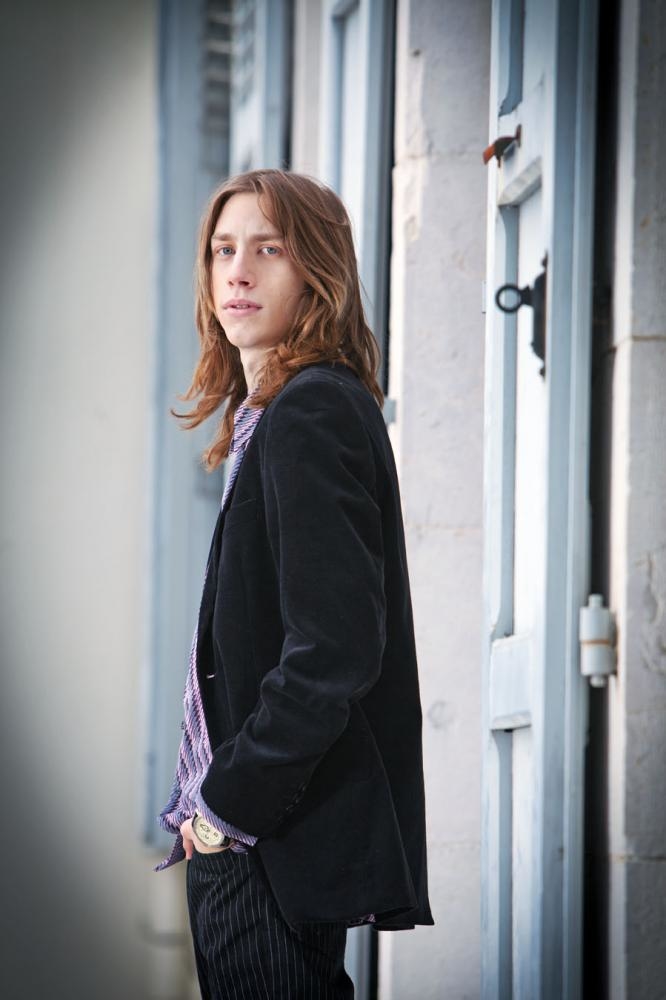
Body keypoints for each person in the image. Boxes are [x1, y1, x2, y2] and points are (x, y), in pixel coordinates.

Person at [156, 168, 433, 1000]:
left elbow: (333, 649)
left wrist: (227, 808)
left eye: (269, 249)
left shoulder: (311, 411)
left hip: (264, 841)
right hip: (259, 838)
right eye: (223, 250)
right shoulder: (276, 416)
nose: (237, 272)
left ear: (317, 270)